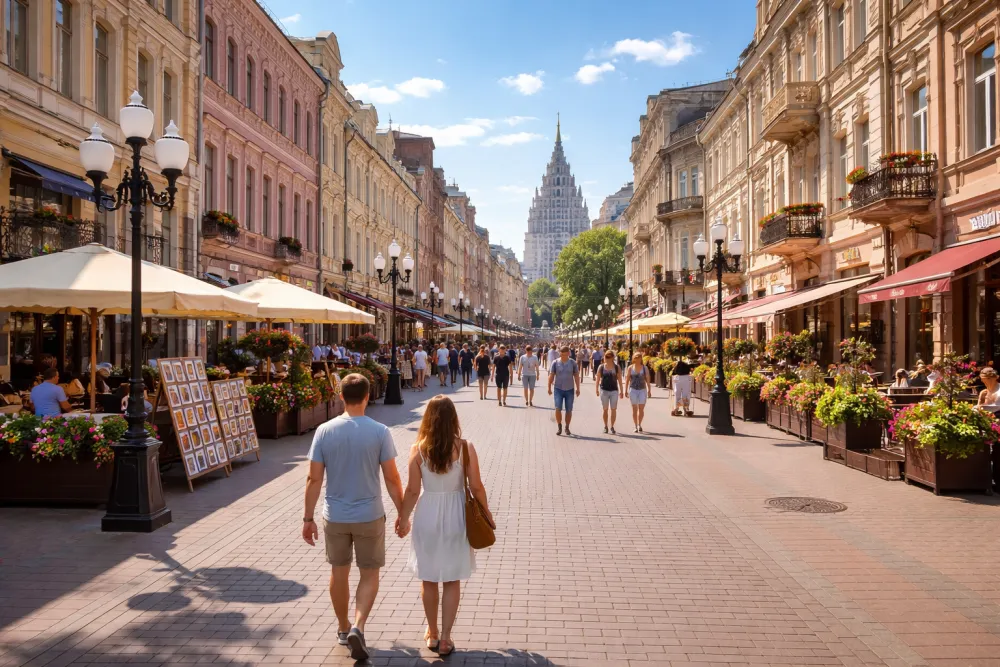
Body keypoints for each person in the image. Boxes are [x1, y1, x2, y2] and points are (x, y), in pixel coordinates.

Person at [302, 373, 404, 662]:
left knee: (338, 571)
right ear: (368, 396)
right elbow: (392, 478)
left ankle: (343, 627)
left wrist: (307, 518)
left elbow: (313, 479)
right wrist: (402, 512)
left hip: (334, 515)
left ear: (340, 396)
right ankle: (359, 624)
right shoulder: (380, 431)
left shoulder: (324, 431)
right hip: (369, 514)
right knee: (369, 573)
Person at [398, 395, 492, 657]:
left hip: (428, 514)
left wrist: (403, 518)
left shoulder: (418, 449)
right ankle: (447, 638)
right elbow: (476, 487)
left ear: (428, 418)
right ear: (454, 419)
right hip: (456, 517)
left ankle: (432, 632)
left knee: (428, 578)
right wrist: (487, 513)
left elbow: (413, 490)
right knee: (451, 579)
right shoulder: (465, 447)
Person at [547, 346, 580, 436]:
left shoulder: (572, 363)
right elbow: (551, 375)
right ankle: (559, 426)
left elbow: (576, 376)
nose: (565, 356)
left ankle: (567, 427)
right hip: (558, 389)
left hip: (570, 389)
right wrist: (549, 387)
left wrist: (578, 388)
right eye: (563, 355)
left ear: (569, 353)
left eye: (566, 354)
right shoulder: (555, 362)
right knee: (558, 408)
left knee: (569, 410)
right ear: (560, 354)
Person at [594, 350, 623, 434]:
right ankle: (605, 426)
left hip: (614, 390)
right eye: (606, 357)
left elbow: (620, 379)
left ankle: (612, 426)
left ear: (612, 358)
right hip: (604, 390)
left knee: (613, 409)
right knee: (605, 409)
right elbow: (598, 378)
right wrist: (596, 389)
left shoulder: (617, 367)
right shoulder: (601, 367)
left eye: (608, 357)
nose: (606, 358)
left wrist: (621, 391)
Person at [624, 353, 652, 433]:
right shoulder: (630, 368)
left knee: (641, 409)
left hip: (642, 390)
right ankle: (636, 425)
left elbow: (648, 379)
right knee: (634, 409)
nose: (638, 359)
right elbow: (627, 379)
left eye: (639, 357)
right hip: (633, 390)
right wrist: (625, 390)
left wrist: (649, 390)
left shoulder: (645, 368)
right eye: (636, 357)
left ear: (641, 359)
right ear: (634, 359)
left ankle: (639, 424)